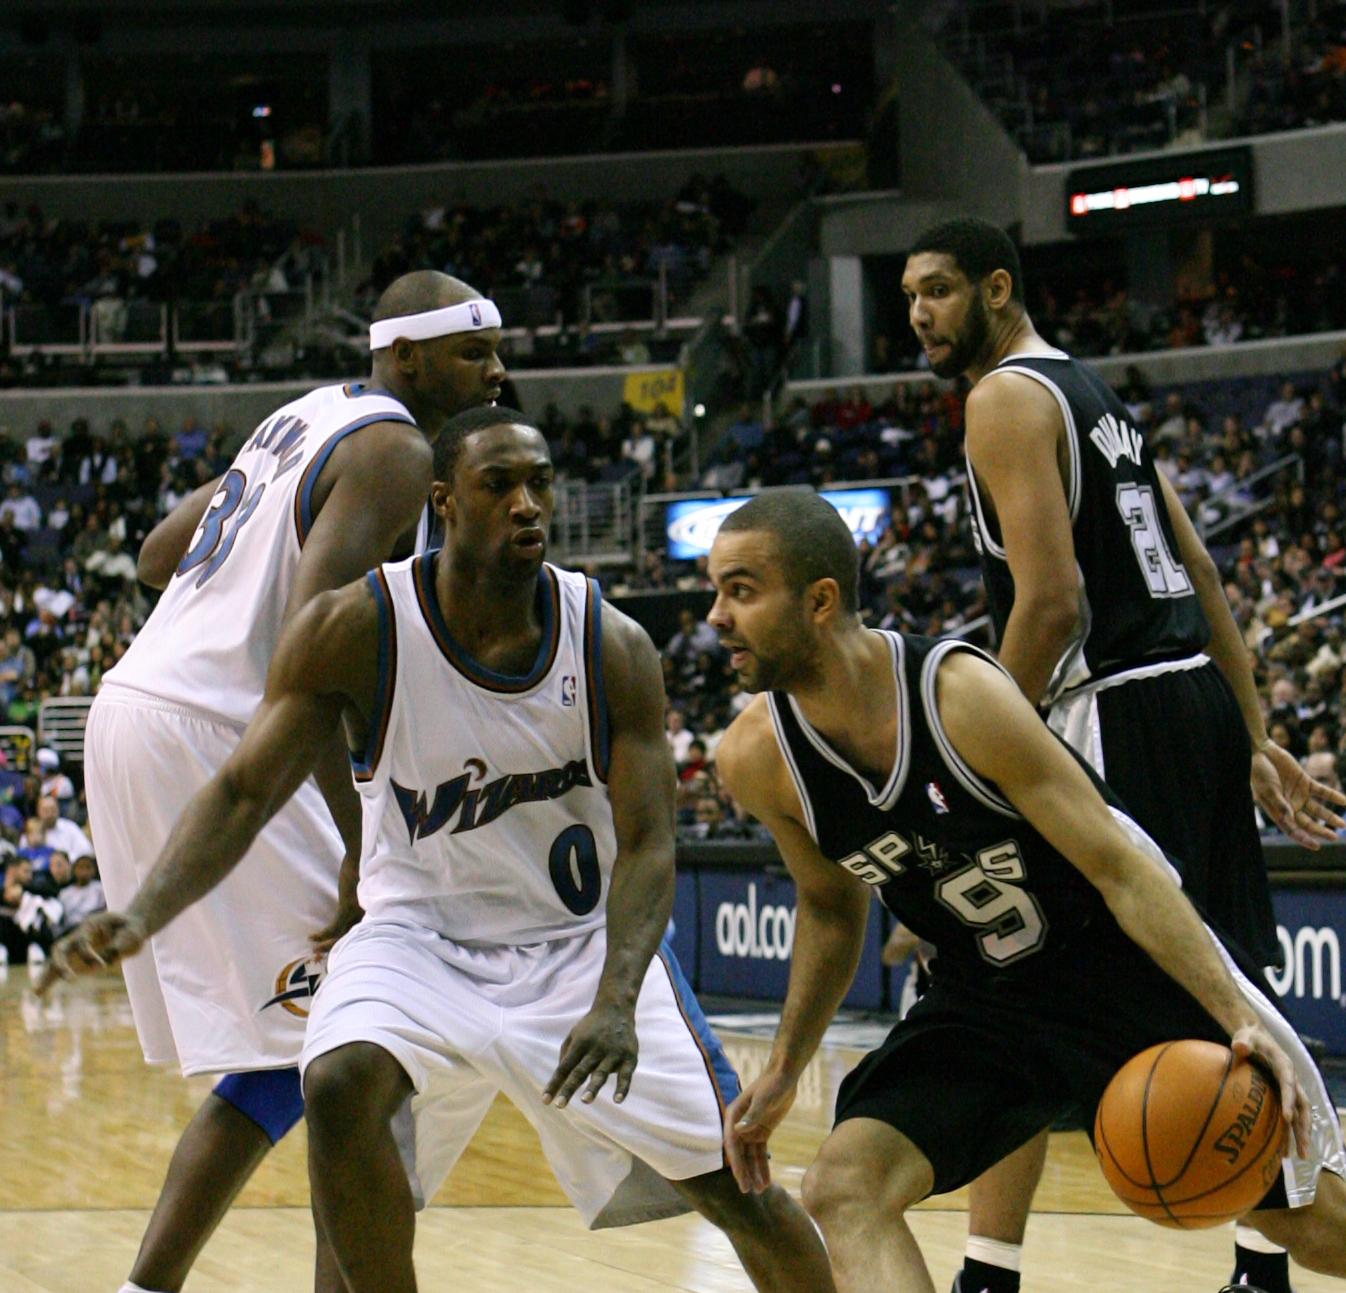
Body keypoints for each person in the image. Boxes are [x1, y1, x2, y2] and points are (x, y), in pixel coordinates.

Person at [46, 408, 835, 1293]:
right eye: (499, 484)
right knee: (336, 1079)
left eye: (539, 482)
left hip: (572, 942)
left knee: (741, 1183)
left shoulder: (610, 643)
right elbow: (242, 791)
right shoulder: (357, 627)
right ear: (443, 502)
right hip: (415, 937)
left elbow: (651, 844)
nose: (528, 504)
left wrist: (616, 996)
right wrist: (144, 910)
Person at [703, 488, 1346, 1293]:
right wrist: (786, 1066)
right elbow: (832, 907)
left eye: (741, 589)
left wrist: (1238, 1015)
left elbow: (1120, 866)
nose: (716, 617)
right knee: (844, 1184)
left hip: (1114, 968)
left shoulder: (959, 696)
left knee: (1308, 1223)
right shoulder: (755, 758)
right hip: (988, 995)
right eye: (715, 591)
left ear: (821, 600)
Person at [902, 216, 1346, 1293]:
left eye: (938, 291)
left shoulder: (1003, 398)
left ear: (997, 289)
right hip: (1184, 703)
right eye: (908, 294)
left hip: (1107, 713)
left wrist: (975, 752)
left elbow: (1051, 601)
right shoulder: (1093, 397)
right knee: (1227, 992)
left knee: (1006, 980)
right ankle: (1254, 1270)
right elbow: (1193, 566)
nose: (917, 313)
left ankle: (989, 1273)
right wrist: (1248, 735)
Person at [74, 270, 505, 1293]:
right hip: (210, 732)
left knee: (293, 1060)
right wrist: (364, 848)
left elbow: (153, 553)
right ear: (404, 357)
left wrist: (246, 552)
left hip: (134, 710)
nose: (497, 372)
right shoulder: (396, 446)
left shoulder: (305, 418)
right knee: (375, 1046)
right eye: (473, 353)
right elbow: (314, 648)